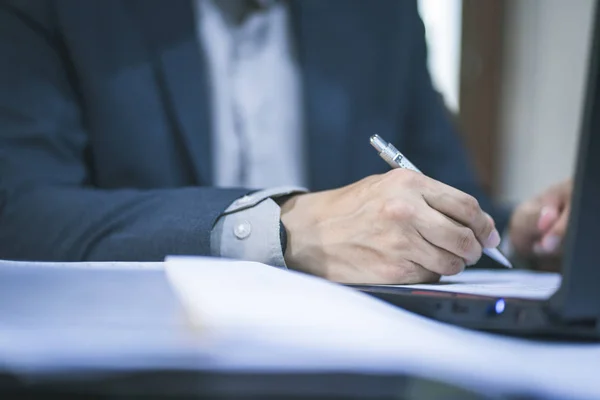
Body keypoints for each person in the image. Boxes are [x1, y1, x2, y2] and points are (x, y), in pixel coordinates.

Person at [0, 0, 571, 283]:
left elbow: (442, 189)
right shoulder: (56, 11)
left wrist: (521, 235)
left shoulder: (381, 16)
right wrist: (285, 225)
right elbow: (22, 212)